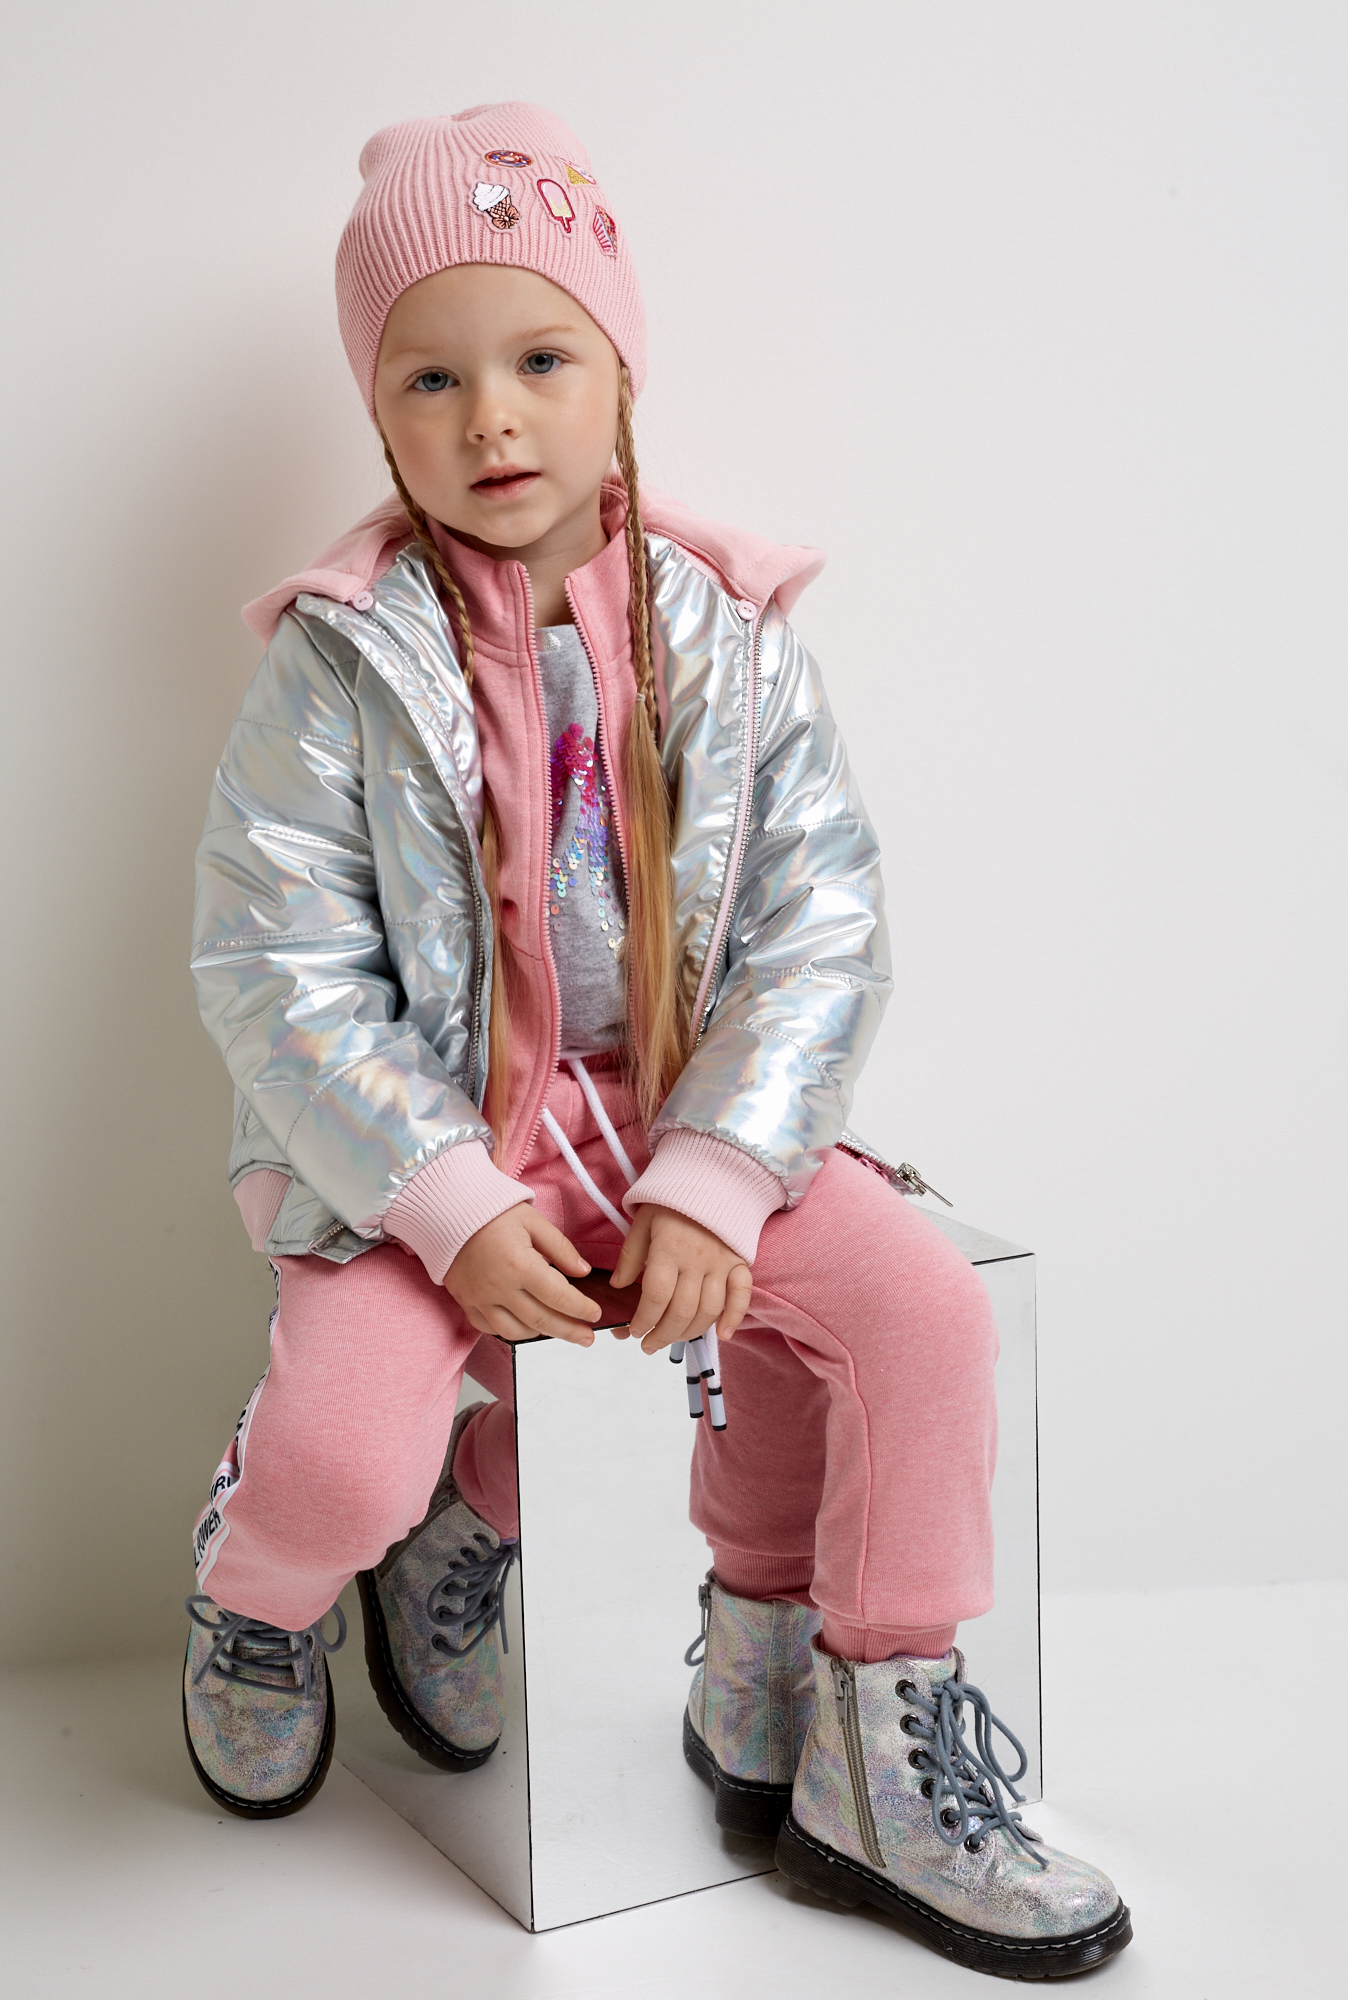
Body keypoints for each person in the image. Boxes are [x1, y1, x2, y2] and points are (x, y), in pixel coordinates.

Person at [183, 102, 1130, 1978]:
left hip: (680, 1120)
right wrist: (447, 1201)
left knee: (916, 1317)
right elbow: (277, 968)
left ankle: (859, 1722)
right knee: (343, 1460)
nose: (493, 418)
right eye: (433, 378)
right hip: (427, 1151)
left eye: (542, 359)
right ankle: (264, 1600)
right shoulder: (336, 659)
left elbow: (819, 923)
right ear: (382, 416)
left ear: (622, 370)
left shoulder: (735, 636)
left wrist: (720, 1167)